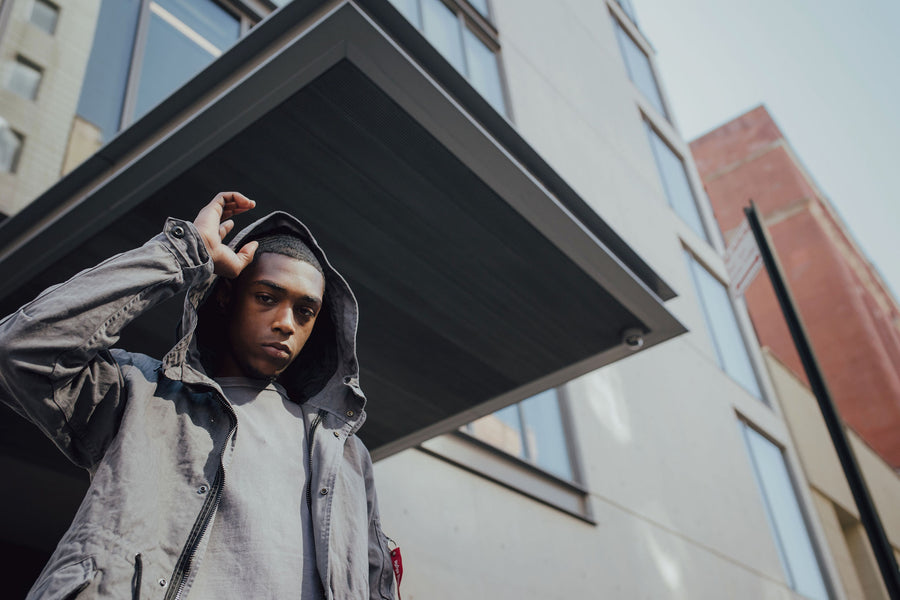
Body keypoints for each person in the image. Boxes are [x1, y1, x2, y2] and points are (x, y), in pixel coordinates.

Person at [0, 192, 397, 600]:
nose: (285, 323)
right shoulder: (140, 393)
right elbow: (20, 349)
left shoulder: (344, 452)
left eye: (304, 311)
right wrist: (186, 252)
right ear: (226, 296)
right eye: (266, 297)